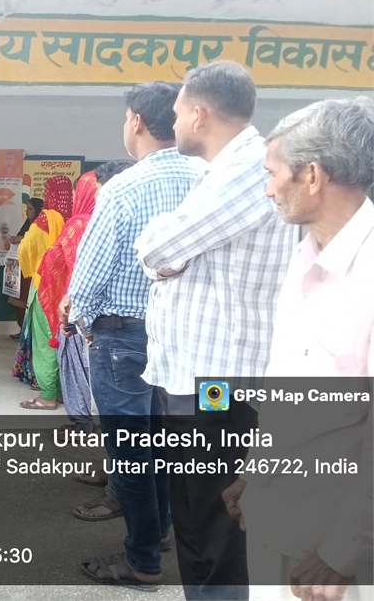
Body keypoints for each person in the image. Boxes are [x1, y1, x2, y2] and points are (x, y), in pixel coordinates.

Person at [133, 61, 298, 600]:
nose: (174, 122)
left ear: (200, 114)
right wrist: (173, 255)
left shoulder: (248, 168)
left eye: (179, 112)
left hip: (219, 383)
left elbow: (157, 247)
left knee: (218, 527)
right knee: (192, 515)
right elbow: (170, 252)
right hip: (192, 375)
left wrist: (170, 254)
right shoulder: (218, 172)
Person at [223, 98, 374, 601]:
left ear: (312, 175)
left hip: (332, 556)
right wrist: (254, 473)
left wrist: (341, 553)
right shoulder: (304, 258)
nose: (267, 188)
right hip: (278, 520)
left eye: (272, 173)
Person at [58, 82, 197, 590]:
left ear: (136, 121)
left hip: (123, 339)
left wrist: (76, 316)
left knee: (131, 450)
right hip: (182, 337)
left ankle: (141, 561)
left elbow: (91, 274)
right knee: (162, 443)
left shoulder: (124, 187)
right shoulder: (208, 178)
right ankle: (159, 530)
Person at [38, 162, 135, 436]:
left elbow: (67, 266)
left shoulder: (79, 223)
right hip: (117, 311)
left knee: (75, 362)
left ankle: (82, 422)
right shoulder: (121, 223)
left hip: (78, 307)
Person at [18, 175, 73, 410]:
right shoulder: (76, 218)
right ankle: (61, 391)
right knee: (64, 339)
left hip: (46, 287)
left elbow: (26, 249)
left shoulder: (45, 219)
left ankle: (47, 395)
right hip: (69, 290)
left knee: (45, 341)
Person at [8, 198, 44, 339]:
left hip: (32, 271)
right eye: (26, 208)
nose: (27, 211)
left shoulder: (40, 225)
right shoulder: (28, 224)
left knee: (28, 302)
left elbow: (34, 242)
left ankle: (30, 333)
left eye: (30, 209)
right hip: (20, 269)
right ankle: (23, 331)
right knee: (19, 302)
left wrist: (20, 239)